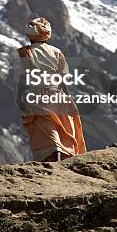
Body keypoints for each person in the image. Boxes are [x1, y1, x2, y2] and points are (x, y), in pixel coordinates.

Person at [17, 16, 86, 162]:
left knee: (47, 134)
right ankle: (64, 161)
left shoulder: (26, 52)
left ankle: (53, 163)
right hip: (58, 97)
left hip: (38, 97)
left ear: (30, 36)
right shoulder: (57, 52)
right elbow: (62, 79)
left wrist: (21, 97)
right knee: (63, 132)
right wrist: (67, 99)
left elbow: (25, 78)